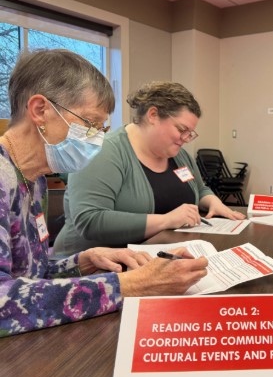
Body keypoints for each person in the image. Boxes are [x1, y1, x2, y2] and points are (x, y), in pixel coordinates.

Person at [0, 50, 208, 336]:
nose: (97, 139)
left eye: (102, 127)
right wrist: (133, 285)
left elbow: (30, 275)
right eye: (90, 123)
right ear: (39, 110)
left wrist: (84, 260)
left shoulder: (33, 181)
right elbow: (3, 302)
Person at [53, 81, 245, 256]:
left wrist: (212, 201)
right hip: (92, 270)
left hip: (156, 257)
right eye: (181, 129)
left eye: (190, 133)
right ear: (153, 115)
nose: (185, 139)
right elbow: (90, 220)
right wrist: (166, 220)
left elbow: (199, 187)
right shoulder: (104, 152)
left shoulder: (178, 154)